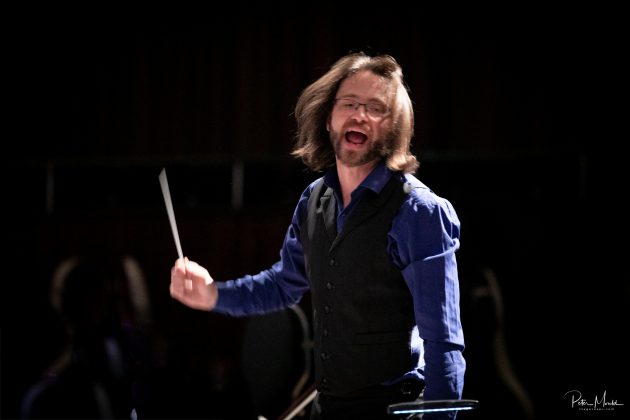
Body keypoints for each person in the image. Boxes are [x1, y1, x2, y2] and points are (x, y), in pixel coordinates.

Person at [169, 52, 466, 420]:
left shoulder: (419, 212)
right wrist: (213, 294)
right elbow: (283, 285)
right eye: (349, 103)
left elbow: (443, 343)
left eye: (376, 108)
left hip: (393, 410)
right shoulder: (314, 200)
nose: (360, 115)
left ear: (393, 127)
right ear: (328, 118)